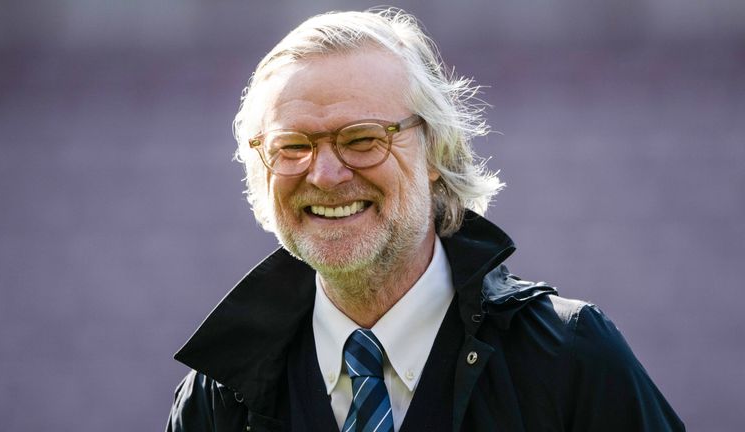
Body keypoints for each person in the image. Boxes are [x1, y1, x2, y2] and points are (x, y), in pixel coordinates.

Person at [166, 8, 684, 432]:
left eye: (362, 139)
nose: (324, 175)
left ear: (435, 151)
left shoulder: (569, 360)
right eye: (293, 147)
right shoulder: (217, 400)